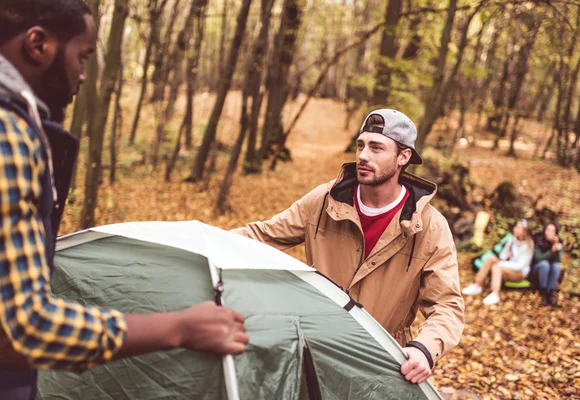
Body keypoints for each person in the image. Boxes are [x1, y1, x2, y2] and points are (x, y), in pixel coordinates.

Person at [0, 1, 248, 398]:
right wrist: (180, 327)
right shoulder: (9, 133)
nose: (83, 75)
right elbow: (20, 327)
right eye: (81, 57)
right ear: (38, 44)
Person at [234, 109, 465, 384]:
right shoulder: (324, 200)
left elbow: (447, 305)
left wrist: (424, 349)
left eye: (376, 147)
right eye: (361, 145)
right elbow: (261, 235)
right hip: (315, 352)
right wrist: (193, 243)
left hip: (381, 364)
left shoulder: (429, 227)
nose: (363, 155)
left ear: (403, 157)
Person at [462, 219, 534, 305]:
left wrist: (502, 264)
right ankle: (477, 284)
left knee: (497, 267)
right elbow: (502, 255)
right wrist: (506, 256)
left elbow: (520, 266)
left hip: (519, 273)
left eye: (518, 227)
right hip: (507, 265)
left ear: (524, 232)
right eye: (516, 226)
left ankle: (495, 293)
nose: (515, 229)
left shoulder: (529, 245)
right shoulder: (512, 239)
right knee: (490, 258)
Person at [532, 222, 563, 306]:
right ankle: (543, 292)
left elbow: (558, 260)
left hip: (550, 270)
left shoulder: (557, 242)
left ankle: (551, 292)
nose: (550, 233)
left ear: (555, 233)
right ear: (544, 231)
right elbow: (538, 257)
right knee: (544, 264)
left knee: (556, 266)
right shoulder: (538, 240)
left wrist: (557, 248)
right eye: (548, 230)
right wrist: (551, 251)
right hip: (537, 270)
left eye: (552, 231)